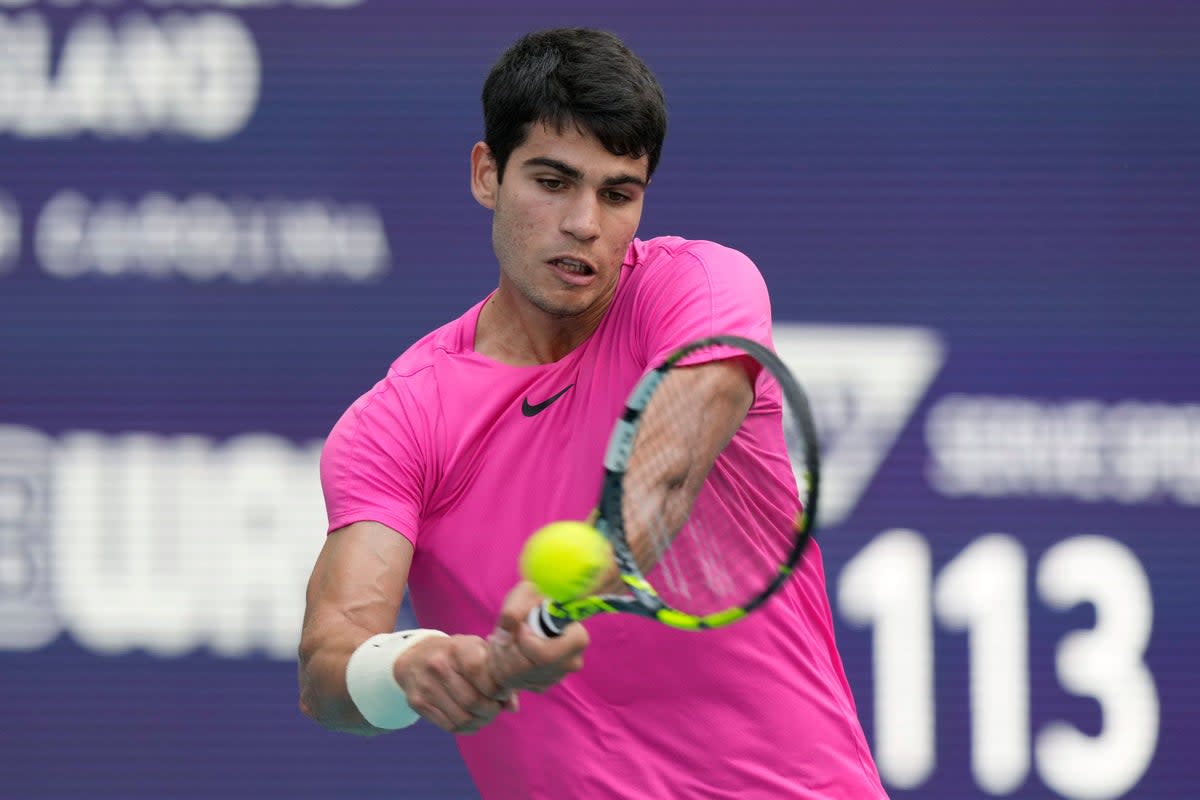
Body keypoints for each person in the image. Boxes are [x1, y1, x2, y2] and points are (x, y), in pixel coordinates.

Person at [298, 27, 889, 799]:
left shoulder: (701, 288)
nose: (585, 223)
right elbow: (328, 666)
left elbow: (667, 472)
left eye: (618, 194)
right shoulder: (401, 421)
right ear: (487, 174)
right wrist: (409, 665)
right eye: (553, 181)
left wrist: (569, 588)